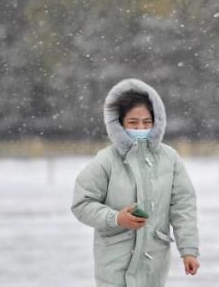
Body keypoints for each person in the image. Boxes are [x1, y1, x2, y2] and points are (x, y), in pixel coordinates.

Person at [71, 78, 200, 287]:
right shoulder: (106, 160)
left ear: (156, 121)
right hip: (114, 264)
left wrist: (189, 251)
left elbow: (183, 206)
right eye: (133, 122)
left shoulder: (170, 159)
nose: (141, 127)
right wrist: (116, 218)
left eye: (147, 122)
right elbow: (82, 203)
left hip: (154, 265)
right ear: (119, 124)